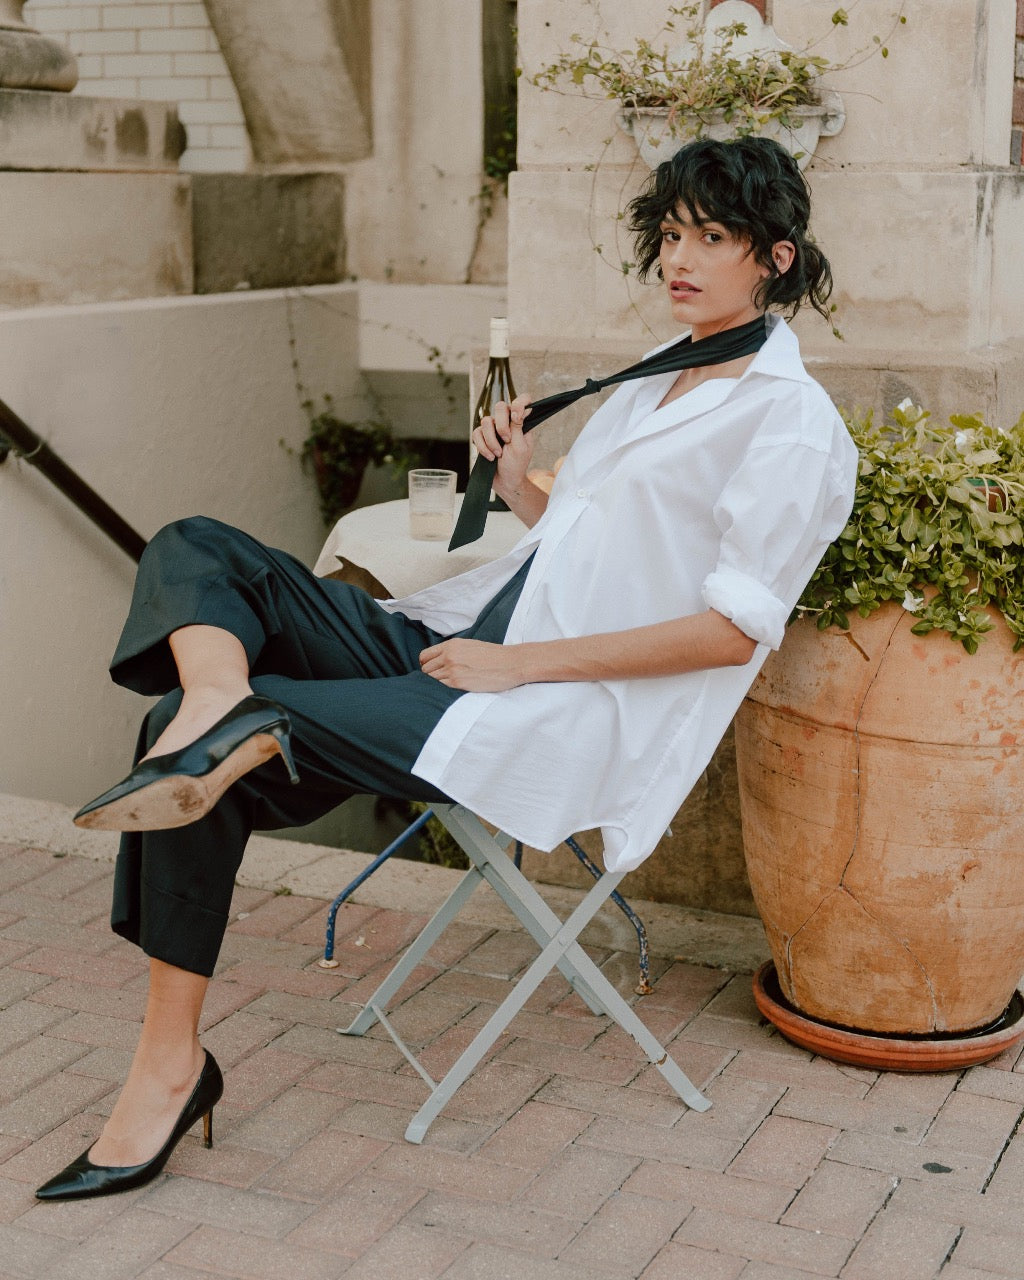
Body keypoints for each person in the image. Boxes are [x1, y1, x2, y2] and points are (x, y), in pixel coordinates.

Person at [36, 136, 857, 1200]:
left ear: (775, 259)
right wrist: (518, 483)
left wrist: (521, 670)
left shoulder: (790, 426)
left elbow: (730, 631)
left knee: (189, 749)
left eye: (709, 237)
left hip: (546, 696)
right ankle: (215, 701)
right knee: (195, 546)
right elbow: (590, 545)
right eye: (667, 235)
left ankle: (165, 1065)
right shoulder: (657, 383)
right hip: (465, 641)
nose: (676, 259)